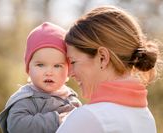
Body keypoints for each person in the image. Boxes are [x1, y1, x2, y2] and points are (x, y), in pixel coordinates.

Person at [56, 5, 162, 133]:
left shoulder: (88, 118)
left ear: (102, 58)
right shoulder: (146, 117)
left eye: (73, 61)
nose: (70, 72)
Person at [0, 22, 81, 133]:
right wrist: (56, 121)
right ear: (28, 69)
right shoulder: (26, 98)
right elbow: (16, 126)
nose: (49, 72)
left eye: (57, 66)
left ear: (68, 70)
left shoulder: (71, 99)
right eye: (40, 65)